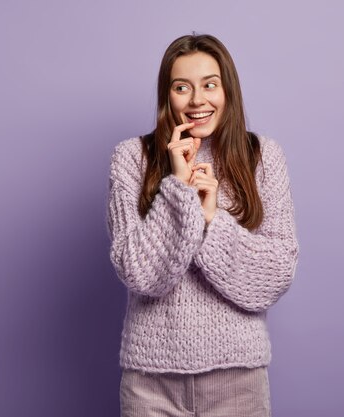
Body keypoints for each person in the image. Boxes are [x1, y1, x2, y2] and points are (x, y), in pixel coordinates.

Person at [106, 33, 299, 417]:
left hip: (238, 381)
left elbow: (275, 275)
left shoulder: (262, 157)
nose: (197, 100)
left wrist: (211, 220)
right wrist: (177, 187)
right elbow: (140, 273)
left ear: (228, 90)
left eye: (210, 84)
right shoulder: (132, 158)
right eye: (182, 87)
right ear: (167, 95)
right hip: (150, 382)